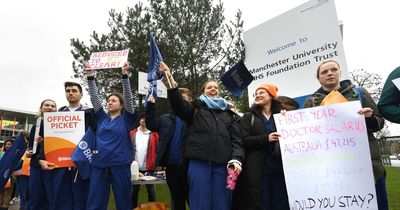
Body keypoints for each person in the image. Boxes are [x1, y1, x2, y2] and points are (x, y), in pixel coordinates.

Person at [303, 59, 388, 210]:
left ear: (340, 72)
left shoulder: (359, 93)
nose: (329, 73)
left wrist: (370, 118)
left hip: (368, 166)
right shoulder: (312, 102)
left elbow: (379, 123)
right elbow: (306, 133)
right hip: (333, 168)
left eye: (333, 69)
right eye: (324, 72)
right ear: (318, 78)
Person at [161, 62, 244, 210]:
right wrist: (171, 84)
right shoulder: (195, 108)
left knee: (221, 204)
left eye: (216, 87)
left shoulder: (228, 113)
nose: (213, 89)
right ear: (204, 91)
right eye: (209, 87)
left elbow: (237, 140)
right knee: (200, 203)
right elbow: (179, 106)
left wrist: (236, 158)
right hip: (199, 163)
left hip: (223, 165)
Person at [85, 61, 138, 210]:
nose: (109, 102)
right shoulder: (102, 118)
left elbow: (128, 98)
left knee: (123, 202)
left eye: (113, 100)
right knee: (95, 202)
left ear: (121, 105)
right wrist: (90, 76)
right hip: (99, 164)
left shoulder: (126, 119)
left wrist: (124, 75)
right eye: (108, 100)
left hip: (120, 165)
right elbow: (95, 99)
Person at [37, 81, 95, 210]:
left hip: (82, 164)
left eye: (74, 91)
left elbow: (95, 138)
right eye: (68, 91)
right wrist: (41, 158)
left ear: (81, 94)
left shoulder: (90, 114)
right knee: (61, 199)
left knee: (82, 199)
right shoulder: (57, 115)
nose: (70, 93)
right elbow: (48, 139)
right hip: (60, 164)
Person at [233, 84, 291, 210]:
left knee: (280, 203)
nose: (258, 95)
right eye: (256, 94)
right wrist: (266, 138)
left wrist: (287, 119)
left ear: (271, 96)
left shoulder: (280, 116)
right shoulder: (249, 116)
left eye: (262, 92)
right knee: (262, 204)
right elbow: (244, 140)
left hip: (279, 169)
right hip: (259, 171)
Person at [145, 88, 192, 210]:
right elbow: (151, 124)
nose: (180, 99)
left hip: (190, 166)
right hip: (172, 167)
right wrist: (150, 105)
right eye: (177, 97)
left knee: (193, 200)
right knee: (177, 201)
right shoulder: (165, 118)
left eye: (183, 97)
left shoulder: (194, 117)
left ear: (190, 100)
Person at [27, 99, 57, 210]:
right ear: (41, 108)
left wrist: (44, 141)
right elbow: (31, 148)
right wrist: (29, 152)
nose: (50, 107)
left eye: (53, 106)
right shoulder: (36, 127)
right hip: (36, 166)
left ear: (56, 110)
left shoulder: (59, 126)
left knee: (51, 197)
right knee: (36, 197)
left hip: (53, 165)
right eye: (47, 105)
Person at [130, 114, 158, 208]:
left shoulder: (154, 134)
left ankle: (153, 208)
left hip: (149, 168)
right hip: (135, 169)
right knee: (133, 192)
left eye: (146, 119)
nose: (144, 121)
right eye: (142, 118)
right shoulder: (132, 133)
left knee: (151, 191)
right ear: (139, 120)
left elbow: (158, 150)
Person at [0, 139, 15, 210]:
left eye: (9, 144)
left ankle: (4, 207)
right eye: (6, 144)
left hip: (9, 175)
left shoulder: (15, 153)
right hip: (0, 175)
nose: (7, 145)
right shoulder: (1, 153)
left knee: (7, 192)